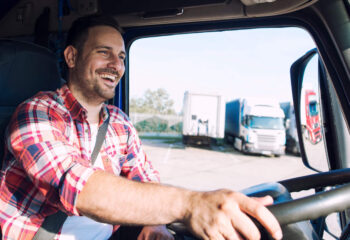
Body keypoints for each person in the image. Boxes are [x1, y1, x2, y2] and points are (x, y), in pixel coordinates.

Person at [0, 15, 282, 240]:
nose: (116, 65)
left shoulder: (120, 122)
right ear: (72, 57)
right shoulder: (38, 113)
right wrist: (191, 205)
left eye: (122, 57)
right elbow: (78, 187)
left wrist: (157, 222)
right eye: (104, 52)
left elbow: (145, 177)